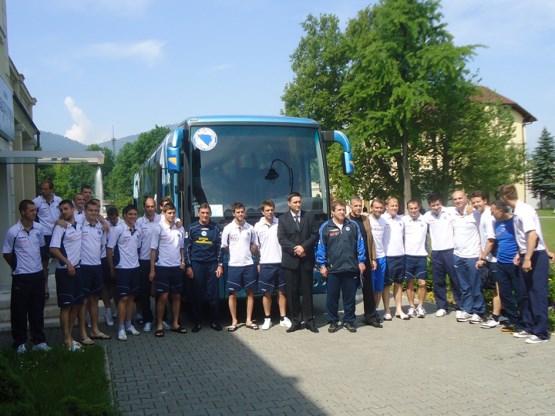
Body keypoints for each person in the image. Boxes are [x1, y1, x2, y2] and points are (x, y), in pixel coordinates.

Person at [499, 185, 554, 344]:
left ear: (504, 197)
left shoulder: (525, 210)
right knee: (524, 294)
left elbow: (532, 235)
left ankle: (541, 333)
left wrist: (528, 258)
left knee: (537, 294)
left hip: (535, 255)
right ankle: (529, 326)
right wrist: (519, 253)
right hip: (525, 254)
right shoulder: (517, 211)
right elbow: (524, 237)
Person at [2, 200, 50, 353]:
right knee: (19, 311)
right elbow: (6, 253)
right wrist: (16, 266)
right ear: (23, 212)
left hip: (37, 276)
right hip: (21, 277)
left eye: (35, 210)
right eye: (31, 211)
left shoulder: (39, 229)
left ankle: (39, 341)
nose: (34, 213)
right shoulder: (13, 232)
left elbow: (42, 250)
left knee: (37, 310)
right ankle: (20, 342)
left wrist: (42, 271)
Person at [316, 200, 365, 333]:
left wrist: (361, 261)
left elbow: (360, 245)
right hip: (333, 269)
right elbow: (321, 247)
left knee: (350, 297)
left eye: (343, 210)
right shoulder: (326, 227)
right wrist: (322, 265)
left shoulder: (353, 225)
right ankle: (333, 321)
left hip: (350, 268)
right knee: (332, 297)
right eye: (339, 210)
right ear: (333, 212)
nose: (342, 212)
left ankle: (349, 321)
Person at [277, 192, 319, 333]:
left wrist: (303, 247)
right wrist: (296, 249)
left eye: (299, 202)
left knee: (307, 291)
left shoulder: (309, 216)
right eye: (295, 202)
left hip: (306, 259)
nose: (298, 204)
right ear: (289, 203)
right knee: (292, 292)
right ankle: (295, 321)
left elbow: (314, 234)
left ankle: (309, 321)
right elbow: (281, 238)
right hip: (291, 261)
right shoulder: (282, 219)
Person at [478, 200, 523, 332]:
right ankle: (514, 322)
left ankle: (525, 322)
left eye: (493, 212)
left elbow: (523, 239)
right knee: (505, 293)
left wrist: (518, 254)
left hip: (514, 263)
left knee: (520, 293)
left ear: (501, 210)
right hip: (501, 262)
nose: (492, 215)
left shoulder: (514, 222)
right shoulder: (496, 222)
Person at [49, 199, 84, 351]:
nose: (63, 212)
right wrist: (68, 263)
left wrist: (103, 219)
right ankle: (66, 339)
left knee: (77, 304)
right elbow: (53, 249)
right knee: (66, 306)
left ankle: (70, 336)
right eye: (61, 210)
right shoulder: (60, 227)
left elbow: (93, 213)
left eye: (66, 209)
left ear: (72, 209)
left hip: (78, 270)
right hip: (64, 271)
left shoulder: (79, 223)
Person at [185, 203, 224, 332]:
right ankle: (197, 323)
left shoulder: (216, 228)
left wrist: (219, 265)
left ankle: (215, 321)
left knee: (213, 295)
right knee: (197, 295)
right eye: (203, 213)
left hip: (212, 265)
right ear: (198, 214)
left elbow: (219, 248)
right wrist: (189, 266)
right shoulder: (191, 228)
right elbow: (187, 249)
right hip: (197, 265)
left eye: (207, 213)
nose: (205, 215)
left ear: (210, 214)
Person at [150, 202, 186, 337]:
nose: (171, 215)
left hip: (176, 267)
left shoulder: (179, 229)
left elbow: (182, 248)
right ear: (164, 213)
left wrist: (183, 262)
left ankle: (175, 323)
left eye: (173, 213)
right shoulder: (158, 228)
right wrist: (152, 270)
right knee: (163, 297)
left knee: (177, 296)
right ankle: (159, 324)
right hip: (162, 267)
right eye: (169, 213)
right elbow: (153, 250)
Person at [422, 193, 461, 318]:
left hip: (450, 250)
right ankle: (441, 306)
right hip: (436, 252)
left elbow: (463, 209)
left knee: (455, 279)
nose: (436, 207)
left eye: (438, 204)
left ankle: (460, 306)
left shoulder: (450, 212)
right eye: (433, 205)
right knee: (438, 281)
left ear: (441, 203)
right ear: (429, 206)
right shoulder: (427, 216)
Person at [254, 199, 291, 330]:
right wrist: (258, 261)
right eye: (267, 210)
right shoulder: (257, 227)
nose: (270, 212)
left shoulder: (280, 223)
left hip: (281, 262)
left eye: (272, 210)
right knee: (266, 293)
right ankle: (267, 319)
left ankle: (283, 318)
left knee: (282, 292)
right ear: (262, 212)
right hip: (266, 264)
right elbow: (255, 247)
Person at [221, 202, 259, 332]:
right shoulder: (228, 228)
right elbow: (224, 246)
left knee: (250, 293)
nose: (240, 214)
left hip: (248, 264)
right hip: (234, 266)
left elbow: (255, 245)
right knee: (232, 294)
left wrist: (253, 251)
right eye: (238, 212)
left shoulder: (250, 228)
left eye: (242, 212)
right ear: (233, 213)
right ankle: (234, 321)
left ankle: (248, 320)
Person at [107, 204, 142, 341]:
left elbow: (137, 248)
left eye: (135, 214)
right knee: (123, 298)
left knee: (132, 298)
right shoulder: (118, 229)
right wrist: (112, 267)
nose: (132, 217)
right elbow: (109, 249)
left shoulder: (137, 229)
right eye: (130, 214)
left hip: (135, 268)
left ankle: (129, 325)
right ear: (124, 215)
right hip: (122, 268)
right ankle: (121, 327)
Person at [79, 200, 111, 343]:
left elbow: (102, 246)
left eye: (96, 210)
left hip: (96, 266)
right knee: (83, 301)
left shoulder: (100, 226)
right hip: (83, 267)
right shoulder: (79, 224)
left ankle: (95, 329)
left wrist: (103, 222)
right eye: (90, 210)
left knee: (94, 300)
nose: (93, 213)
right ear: (85, 210)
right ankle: (83, 333)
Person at [347, 196, 381, 328]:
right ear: (350, 206)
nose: (358, 208)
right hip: (351, 260)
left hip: (366, 258)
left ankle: (370, 316)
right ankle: (349, 319)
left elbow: (370, 240)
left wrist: (373, 258)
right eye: (355, 206)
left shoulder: (365, 219)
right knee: (350, 290)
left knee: (368, 288)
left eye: (360, 206)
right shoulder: (346, 220)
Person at [451, 190, 485, 324]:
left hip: (473, 255)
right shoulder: (451, 213)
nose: (458, 201)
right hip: (458, 255)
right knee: (464, 286)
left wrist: (482, 255)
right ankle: (468, 309)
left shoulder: (475, 214)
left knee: (475, 285)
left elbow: (483, 233)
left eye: (460, 198)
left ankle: (478, 311)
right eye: (455, 199)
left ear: (466, 198)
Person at [471, 191, 503, 328]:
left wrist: (482, 256)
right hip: (489, 257)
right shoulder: (481, 213)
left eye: (478, 201)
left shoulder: (489, 216)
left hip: (495, 258)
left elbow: (491, 240)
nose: (476, 205)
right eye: (473, 202)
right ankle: (500, 314)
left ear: (485, 200)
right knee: (492, 287)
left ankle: (496, 317)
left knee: (497, 288)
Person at [32, 179, 62, 299]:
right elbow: (32, 214)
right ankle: (45, 286)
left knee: (61, 259)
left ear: (51, 189)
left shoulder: (58, 200)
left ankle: (61, 286)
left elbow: (64, 213)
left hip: (56, 233)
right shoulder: (37, 201)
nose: (43, 191)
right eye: (42, 189)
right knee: (44, 262)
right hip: (43, 234)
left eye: (46, 189)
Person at [135, 197, 160, 332]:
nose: (150, 209)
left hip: (160, 260)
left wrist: (178, 222)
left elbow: (176, 221)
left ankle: (162, 320)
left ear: (155, 206)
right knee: (144, 292)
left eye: (152, 206)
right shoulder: (139, 222)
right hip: (144, 260)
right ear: (144, 208)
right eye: (148, 207)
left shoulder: (161, 219)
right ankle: (147, 320)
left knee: (160, 293)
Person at [403, 200, 429, 318]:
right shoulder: (403, 220)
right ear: (408, 209)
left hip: (421, 256)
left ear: (419, 208)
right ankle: (412, 307)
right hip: (407, 256)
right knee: (410, 283)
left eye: (415, 208)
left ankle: (420, 307)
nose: (413, 210)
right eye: (411, 208)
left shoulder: (425, 219)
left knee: (422, 283)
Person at [382, 197, 407, 319]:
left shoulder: (401, 219)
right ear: (386, 206)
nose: (394, 208)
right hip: (388, 257)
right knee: (387, 285)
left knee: (399, 284)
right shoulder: (382, 219)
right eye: (392, 205)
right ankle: (387, 310)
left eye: (396, 205)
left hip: (400, 256)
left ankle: (398, 309)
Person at [368, 198, 387, 320]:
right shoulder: (366, 220)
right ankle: (368, 312)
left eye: (381, 207)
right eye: (376, 207)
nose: (379, 210)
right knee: (370, 288)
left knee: (379, 289)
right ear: (371, 208)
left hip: (382, 257)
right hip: (370, 259)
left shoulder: (385, 221)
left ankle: (375, 311)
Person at [101, 206, 120, 326]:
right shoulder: (104, 225)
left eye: (115, 218)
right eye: (111, 218)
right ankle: (108, 310)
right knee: (105, 285)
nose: (113, 220)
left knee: (116, 285)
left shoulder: (122, 224)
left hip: (119, 257)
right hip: (105, 257)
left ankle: (118, 309)